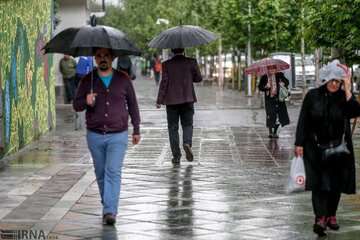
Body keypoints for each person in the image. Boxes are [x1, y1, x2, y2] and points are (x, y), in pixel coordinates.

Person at [73, 48, 141, 225]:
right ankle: (108, 204)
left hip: (118, 134)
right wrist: (85, 101)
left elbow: (133, 104)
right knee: (101, 173)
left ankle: (110, 211)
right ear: (95, 59)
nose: (102, 59)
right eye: (99, 56)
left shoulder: (123, 79)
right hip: (95, 135)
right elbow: (76, 105)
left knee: (113, 171)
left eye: (106, 56)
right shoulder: (88, 80)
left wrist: (136, 129)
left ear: (112, 58)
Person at [294, 59, 360, 237]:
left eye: (338, 81)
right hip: (315, 148)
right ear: (325, 80)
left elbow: (355, 111)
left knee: (335, 185)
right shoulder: (312, 95)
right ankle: (320, 218)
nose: (334, 84)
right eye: (332, 80)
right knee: (319, 185)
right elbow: (303, 121)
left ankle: (331, 215)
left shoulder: (343, 97)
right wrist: (299, 143)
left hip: (338, 149)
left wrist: (348, 89)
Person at [156, 48, 202, 165]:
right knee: (187, 125)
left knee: (173, 128)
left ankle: (176, 156)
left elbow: (164, 83)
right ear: (184, 50)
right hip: (187, 99)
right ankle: (187, 143)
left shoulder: (166, 64)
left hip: (171, 101)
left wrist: (159, 100)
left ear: (172, 50)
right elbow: (198, 78)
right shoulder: (191, 62)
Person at [258, 65, 290, 138]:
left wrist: (283, 83)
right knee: (271, 115)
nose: (272, 70)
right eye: (270, 69)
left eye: (273, 69)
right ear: (268, 70)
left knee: (278, 116)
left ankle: (275, 132)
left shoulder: (280, 75)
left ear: (276, 69)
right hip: (270, 99)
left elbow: (287, 82)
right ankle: (270, 131)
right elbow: (260, 87)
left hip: (279, 99)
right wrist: (266, 87)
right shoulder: (264, 77)